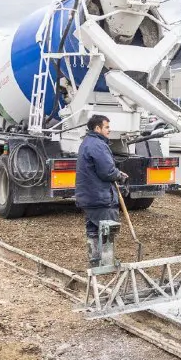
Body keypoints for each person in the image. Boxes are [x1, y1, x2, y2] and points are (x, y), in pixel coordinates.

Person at [75, 114, 128, 266]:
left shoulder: (87, 142)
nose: (109, 130)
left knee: (92, 228)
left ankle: (94, 260)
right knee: (107, 229)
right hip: (100, 196)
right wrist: (119, 175)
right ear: (97, 128)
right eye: (107, 127)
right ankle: (106, 262)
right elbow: (107, 172)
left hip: (88, 196)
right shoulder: (98, 145)